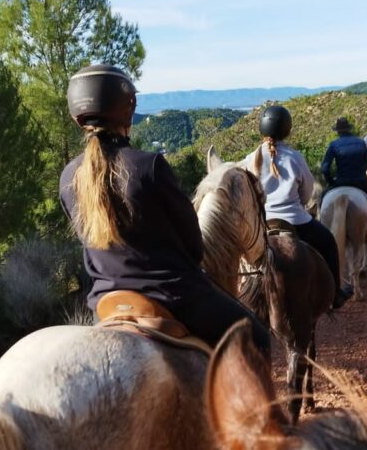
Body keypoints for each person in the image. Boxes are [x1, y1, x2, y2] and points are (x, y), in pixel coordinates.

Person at [58, 64, 270, 352]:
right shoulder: (149, 165)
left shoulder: (69, 175)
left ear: (75, 115)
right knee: (257, 339)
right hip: (173, 297)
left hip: (104, 303)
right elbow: (194, 245)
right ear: (128, 106)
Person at [242, 105, 352, 308]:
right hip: (295, 221)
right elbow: (307, 190)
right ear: (287, 129)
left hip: (261, 224)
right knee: (328, 242)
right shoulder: (294, 157)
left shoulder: (249, 159)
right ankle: (335, 293)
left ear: (261, 129)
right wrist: (298, 205)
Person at [320, 117, 367, 244]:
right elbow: (366, 163)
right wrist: (360, 174)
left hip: (340, 181)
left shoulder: (333, 144)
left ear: (338, 131)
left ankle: (321, 230)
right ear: (349, 129)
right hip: (359, 182)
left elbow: (325, 168)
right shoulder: (360, 142)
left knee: (322, 198)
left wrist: (332, 182)